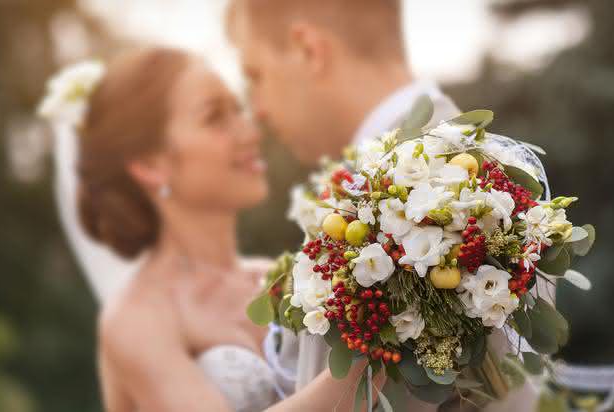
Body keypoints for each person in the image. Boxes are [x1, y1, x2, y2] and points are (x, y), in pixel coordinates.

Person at [229, 1, 541, 410]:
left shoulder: (432, 183)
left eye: (256, 75)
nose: (259, 109)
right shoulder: (474, 166)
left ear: (308, 49)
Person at [76, 47, 381, 412]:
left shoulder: (279, 278)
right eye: (215, 117)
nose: (250, 131)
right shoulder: (136, 318)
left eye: (239, 109)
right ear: (148, 164)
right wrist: (374, 353)